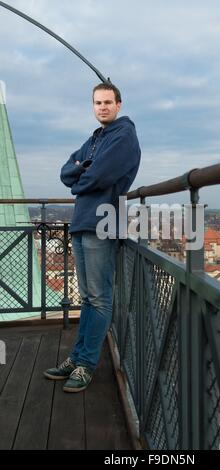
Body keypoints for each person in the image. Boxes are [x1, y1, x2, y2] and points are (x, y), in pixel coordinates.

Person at [44, 82, 141, 392]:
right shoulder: (97, 137)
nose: (102, 107)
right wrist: (83, 172)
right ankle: (77, 357)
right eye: (97, 103)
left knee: (99, 299)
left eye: (108, 102)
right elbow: (65, 173)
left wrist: (81, 174)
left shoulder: (124, 136)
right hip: (83, 222)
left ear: (119, 104)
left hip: (103, 222)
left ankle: (86, 364)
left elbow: (99, 176)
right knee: (87, 297)